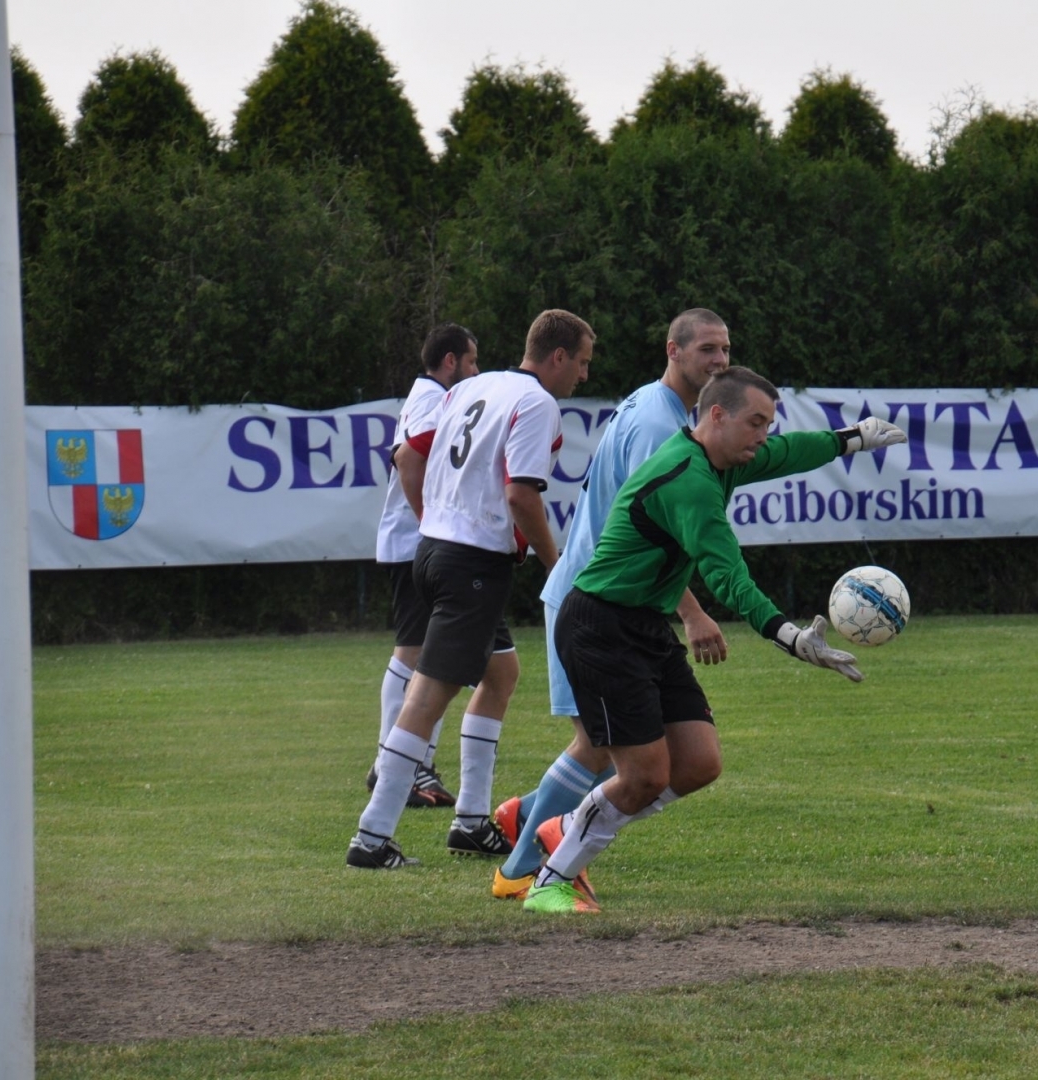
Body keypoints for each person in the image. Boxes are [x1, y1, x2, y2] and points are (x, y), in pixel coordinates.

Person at [521, 366, 906, 911]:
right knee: (643, 776)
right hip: (601, 628)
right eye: (756, 422)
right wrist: (791, 637)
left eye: (768, 423)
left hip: (644, 625)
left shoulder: (723, 457)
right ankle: (550, 880)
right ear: (717, 415)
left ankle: (572, 824)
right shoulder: (689, 479)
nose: (764, 436)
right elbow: (728, 577)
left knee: (700, 763)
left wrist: (852, 439)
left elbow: (789, 452)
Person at [490, 309, 732, 901]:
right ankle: (520, 870)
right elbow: (648, 528)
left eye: (725, 350)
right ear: (673, 350)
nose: (719, 361)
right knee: (601, 747)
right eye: (707, 349)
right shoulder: (658, 424)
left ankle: (529, 817)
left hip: (605, 597)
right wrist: (692, 612)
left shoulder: (660, 407)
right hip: (595, 600)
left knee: (614, 749)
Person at [347, 309, 595, 869]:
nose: (583, 375)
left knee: (500, 673)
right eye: (581, 362)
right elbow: (521, 496)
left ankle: (471, 822)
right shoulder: (536, 403)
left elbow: (412, 450)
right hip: (472, 561)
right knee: (428, 695)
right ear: (557, 356)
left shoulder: (473, 386)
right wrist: (556, 566)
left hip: (436, 550)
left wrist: (436, 517)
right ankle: (372, 835)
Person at [365, 323, 477, 810]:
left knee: (429, 654)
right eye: (471, 361)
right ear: (450, 361)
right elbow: (408, 459)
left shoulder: (428, 395)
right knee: (414, 653)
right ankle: (394, 763)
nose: (475, 370)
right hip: (416, 544)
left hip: (414, 542)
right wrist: (431, 524)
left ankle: (406, 763)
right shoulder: (434, 399)